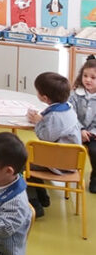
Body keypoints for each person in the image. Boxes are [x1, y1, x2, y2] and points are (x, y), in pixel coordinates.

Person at [26, 72, 81, 216]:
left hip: (60, 163)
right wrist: (43, 117)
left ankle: (34, 202)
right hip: (71, 160)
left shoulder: (55, 117)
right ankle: (41, 194)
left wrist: (38, 122)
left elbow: (45, 137)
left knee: (22, 160)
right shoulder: (68, 107)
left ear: (44, 97)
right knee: (30, 158)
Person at [71, 56, 96, 192]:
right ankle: (64, 171)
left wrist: (92, 133)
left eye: (93, 77)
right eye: (85, 76)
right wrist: (80, 129)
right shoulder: (75, 95)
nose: (88, 80)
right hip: (75, 131)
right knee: (65, 147)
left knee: (95, 151)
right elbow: (70, 115)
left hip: (93, 134)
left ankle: (95, 179)